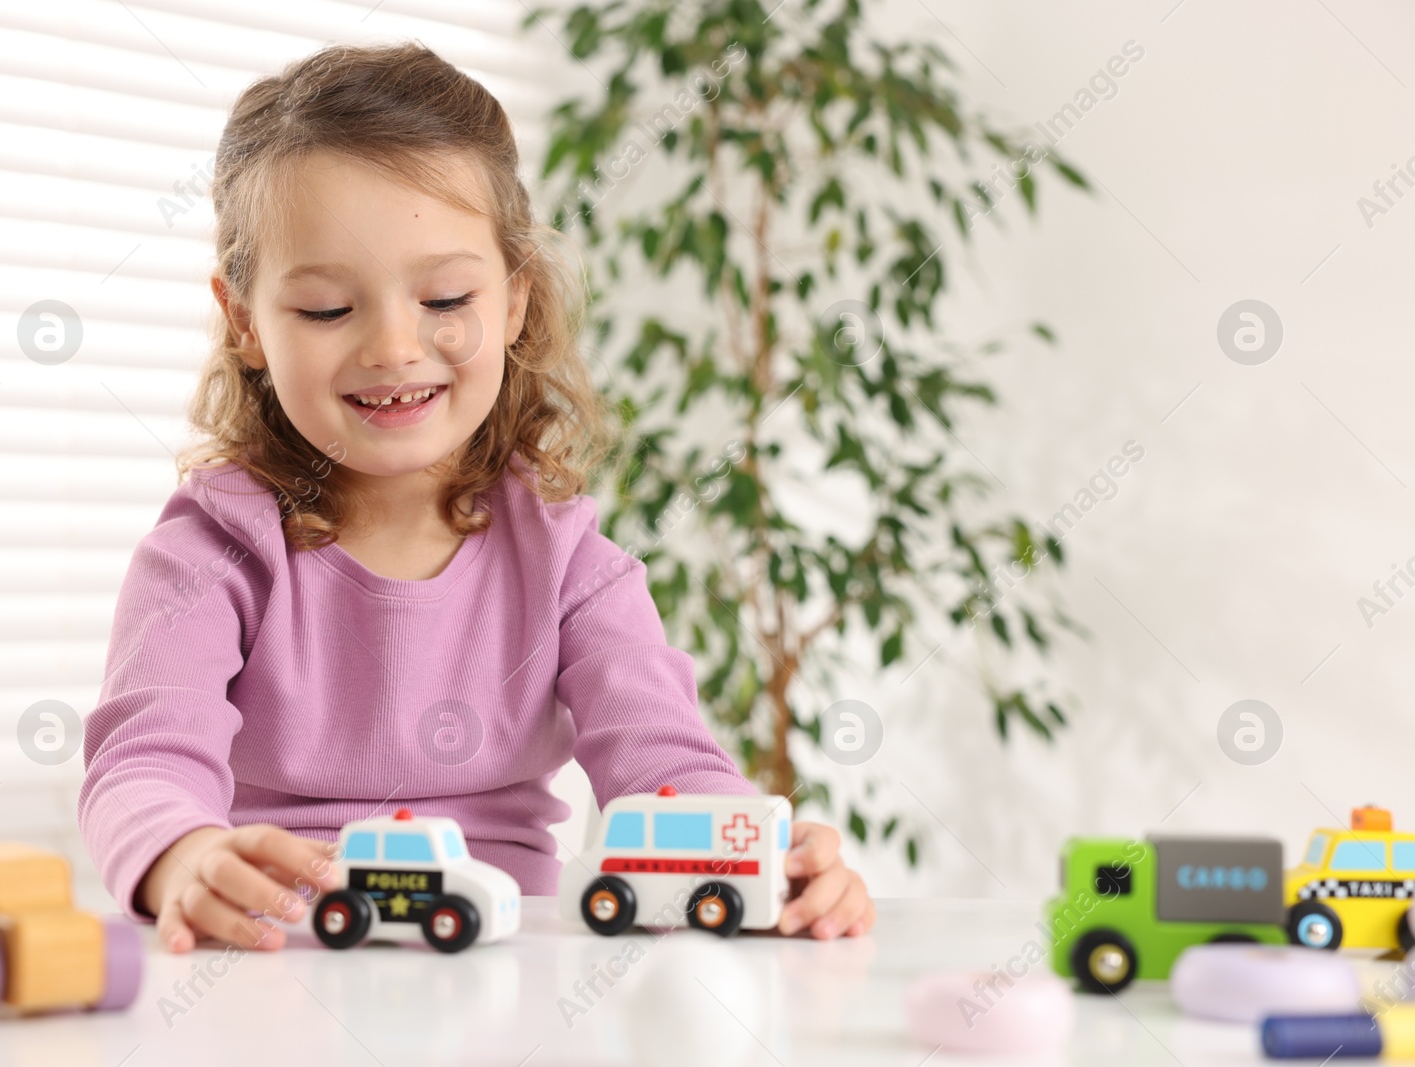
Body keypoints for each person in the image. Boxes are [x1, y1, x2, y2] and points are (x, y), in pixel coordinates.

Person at [78, 41, 874, 953]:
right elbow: (145, 760)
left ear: (515, 300)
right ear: (244, 322)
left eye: (446, 296)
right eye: (329, 310)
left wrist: (761, 849)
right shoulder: (209, 548)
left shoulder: (567, 557)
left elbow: (663, 760)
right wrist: (181, 856)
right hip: (278, 957)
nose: (393, 346)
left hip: (498, 967)